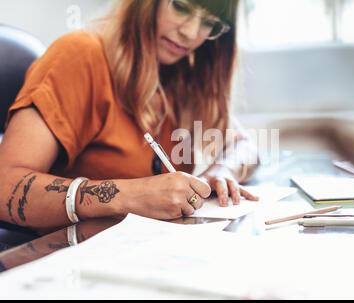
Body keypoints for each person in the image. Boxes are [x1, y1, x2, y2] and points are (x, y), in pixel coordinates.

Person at [0, 0, 259, 233]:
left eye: (210, 23)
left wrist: (224, 170)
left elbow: (245, 146)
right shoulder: (80, 55)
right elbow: (4, 187)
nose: (190, 33)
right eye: (181, 7)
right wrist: (130, 196)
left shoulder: (183, 74)